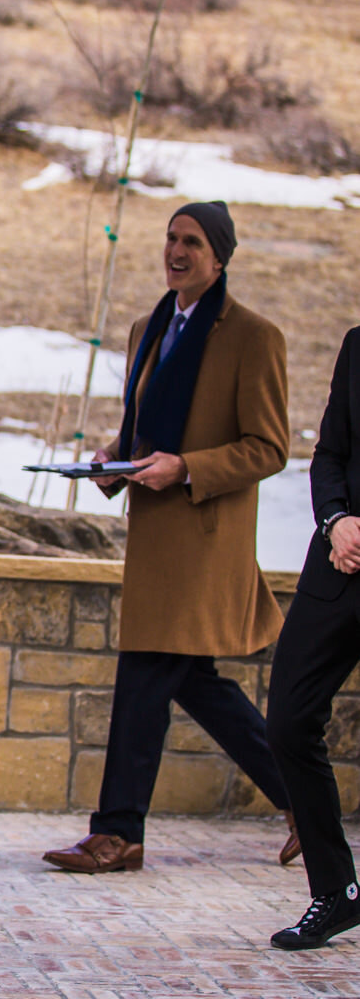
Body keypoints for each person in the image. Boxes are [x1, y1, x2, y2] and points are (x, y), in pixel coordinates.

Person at [42, 201, 298, 875]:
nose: (175, 252)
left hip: (205, 539)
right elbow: (146, 430)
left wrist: (188, 468)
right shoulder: (146, 329)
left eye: (191, 242)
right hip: (156, 538)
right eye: (170, 239)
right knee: (192, 680)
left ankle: (117, 834)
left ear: (220, 258)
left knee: (148, 675)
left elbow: (269, 447)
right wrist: (112, 461)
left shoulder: (252, 337)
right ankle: (305, 801)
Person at [264, 328, 360, 950]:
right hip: (340, 566)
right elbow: (328, 455)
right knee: (289, 719)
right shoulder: (356, 345)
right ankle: (337, 891)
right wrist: (338, 520)